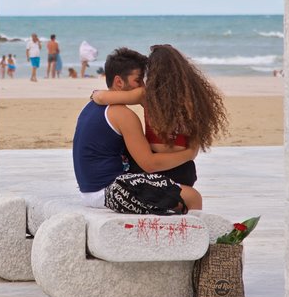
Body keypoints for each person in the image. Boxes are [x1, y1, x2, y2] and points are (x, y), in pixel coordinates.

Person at [72, 48, 201, 212]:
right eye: (138, 81)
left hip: (92, 190)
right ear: (119, 82)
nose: (144, 87)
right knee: (192, 197)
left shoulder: (91, 106)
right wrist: (190, 153)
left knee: (178, 182)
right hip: (109, 190)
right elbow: (149, 164)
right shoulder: (123, 115)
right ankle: (195, 236)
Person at [91, 45, 228, 191]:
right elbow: (194, 143)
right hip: (184, 170)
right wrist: (190, 154)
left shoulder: (147, 96)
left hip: (154, 168)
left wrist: (95, 94)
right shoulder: (194, 100)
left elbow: (103, 97)